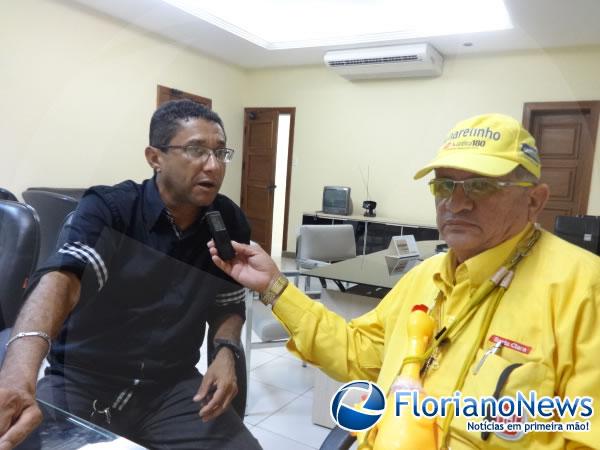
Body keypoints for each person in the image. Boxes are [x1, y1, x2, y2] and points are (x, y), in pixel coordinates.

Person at [210, 113, 600, 449]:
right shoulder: (425, 277)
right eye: (444, 185)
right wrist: (274, 286)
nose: (457, 203)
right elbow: (357, 352)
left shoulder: (584, 291)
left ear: (535, 200)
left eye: (481, 185)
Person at [0, 100, 262, 450]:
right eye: (196, 150)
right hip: (83, 381)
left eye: (220, 153)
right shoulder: (111, 209)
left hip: (172, 388)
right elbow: (63, 280)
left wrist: (226, 350)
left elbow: (227, 302)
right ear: (155, 157)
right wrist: (17, 378)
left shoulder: (227, 220)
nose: (213, 166)